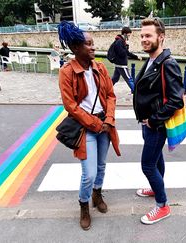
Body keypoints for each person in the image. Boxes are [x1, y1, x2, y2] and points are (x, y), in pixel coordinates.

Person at [57, 21, 121, 231]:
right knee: (89, 173)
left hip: (104, 123)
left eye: (93, 44)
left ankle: (97, 194)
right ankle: (84, 205)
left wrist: (108, 120)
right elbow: (71, 106)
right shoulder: (67, 72)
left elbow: (111, 95)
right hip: (86, 126)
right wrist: (95, 124)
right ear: (76, 48)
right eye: (88, 44)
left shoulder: (100, 68)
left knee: (101, 166)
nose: (93, 47)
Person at [133, 18, 184, 225]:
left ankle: (162, 206)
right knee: (155, 160)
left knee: (147, 165)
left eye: (148, 36)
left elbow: (176, 101)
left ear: (160, 37)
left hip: (156, 125)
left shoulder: (168, 64)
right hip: (148, 123)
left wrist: (153, 121)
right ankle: (156, 189)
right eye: (142, 36)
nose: (144, 40)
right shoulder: (152, 60)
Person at [110, 26, 142, 92]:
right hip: (121, 64)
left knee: (115, 78)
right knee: (129, 79)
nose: (129, 37)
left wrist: (136, 56)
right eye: (128, 35)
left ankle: (106, 89)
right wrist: (126, 46)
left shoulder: (121, 41)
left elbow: (126, 52)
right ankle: (136, 93)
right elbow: (123, 53)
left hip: (118, 64)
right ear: (125, 34)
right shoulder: (119, 41)